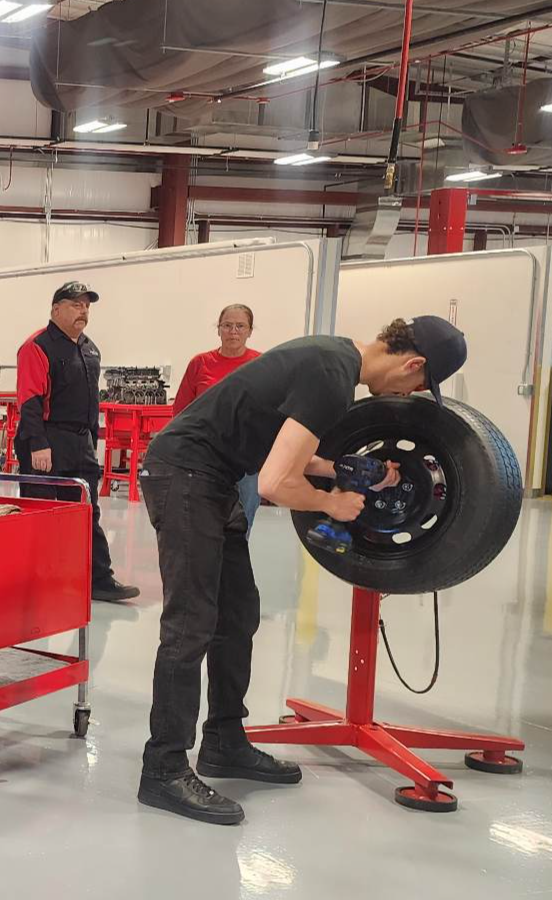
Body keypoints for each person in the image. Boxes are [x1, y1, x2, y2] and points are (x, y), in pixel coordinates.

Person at [136, 317, 467, 826]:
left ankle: (224, 741)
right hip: (184, 474)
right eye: (418, 385)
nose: (409, 392)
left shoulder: (333, 359)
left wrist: (351, 470)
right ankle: (163, 768)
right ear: (412, 363)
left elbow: (294, 451)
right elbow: (274, 482)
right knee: (191, 623)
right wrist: (332, 505)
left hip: (213, 478)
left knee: (238, 615)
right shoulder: (331, 375)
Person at [16, 281, 139, 603]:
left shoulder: (89, 347)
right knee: (43, 515)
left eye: (86, 306)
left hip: (81, 441)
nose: (82, 311)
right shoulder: (37, 346)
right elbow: (29, 399)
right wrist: (38, 444)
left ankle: (99, 580)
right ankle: (39, 582)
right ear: (56, 309)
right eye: (75, 304)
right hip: (46, 440)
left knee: (86, 511)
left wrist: (91, 439)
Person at [173, 304, 262, 534]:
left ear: (250, 330)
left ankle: (234, 567)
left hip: (245, 458)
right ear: (218, 329)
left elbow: (270, 411)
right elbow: (181, 411)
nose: (233, 331)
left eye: (240, 326)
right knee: (203, 520)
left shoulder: (261, 364)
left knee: (243, 520)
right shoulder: (200, 364)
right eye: (227, 325)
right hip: (206, 457)